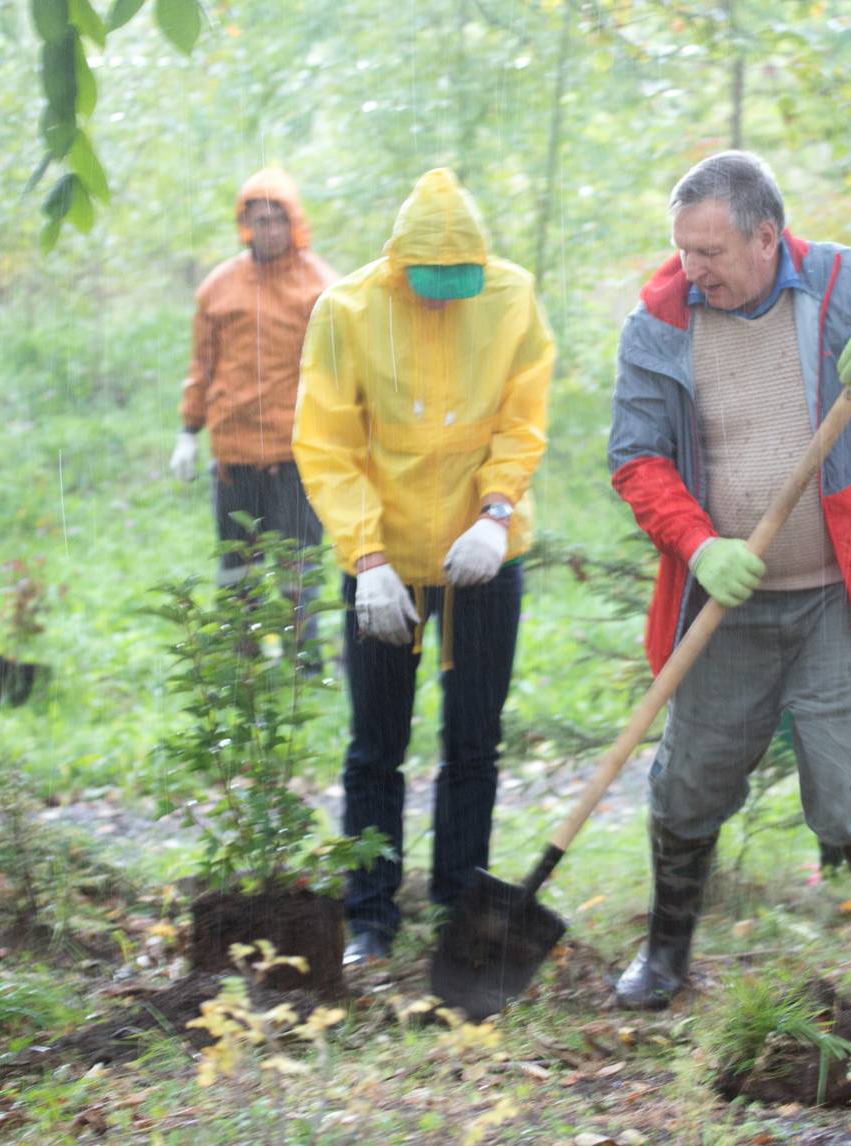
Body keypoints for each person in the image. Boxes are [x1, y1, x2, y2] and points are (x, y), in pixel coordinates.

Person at [607, 151, 851, 1007]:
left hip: (839, 592)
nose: (692, 269)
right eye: (683, 248)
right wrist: (699, 543)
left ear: (766, 236)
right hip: (724, 597)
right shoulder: (660, 322)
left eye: (710, 252)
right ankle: (666, 955)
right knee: (691, 777)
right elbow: (637, 459)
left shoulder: (849, 286)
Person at [293, 169, 555, 964]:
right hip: (387, 564)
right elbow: (328, 445)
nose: (442, 301)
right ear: (400, 263)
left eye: (456, 286)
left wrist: (496, 512)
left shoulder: (511, 298)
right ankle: (370, 917)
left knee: (474, 740)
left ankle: (458, 906)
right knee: (376, 744)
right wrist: (367, 557)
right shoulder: (347, 310)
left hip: (483, 557)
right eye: (429, 286)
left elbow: (522, 420)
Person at [170, 167, 337, 659]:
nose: (267, 230)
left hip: (296, 455)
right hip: (234, 455)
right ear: (245, 224)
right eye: (258, 220)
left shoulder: (323, 288)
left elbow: (342, 374)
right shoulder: (219, 288)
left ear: (294, 223)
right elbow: (202, 365)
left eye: (276, 220)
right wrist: (187, 431)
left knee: (298, 568)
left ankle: (303, 666)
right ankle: (238, 666)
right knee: (236, 569)